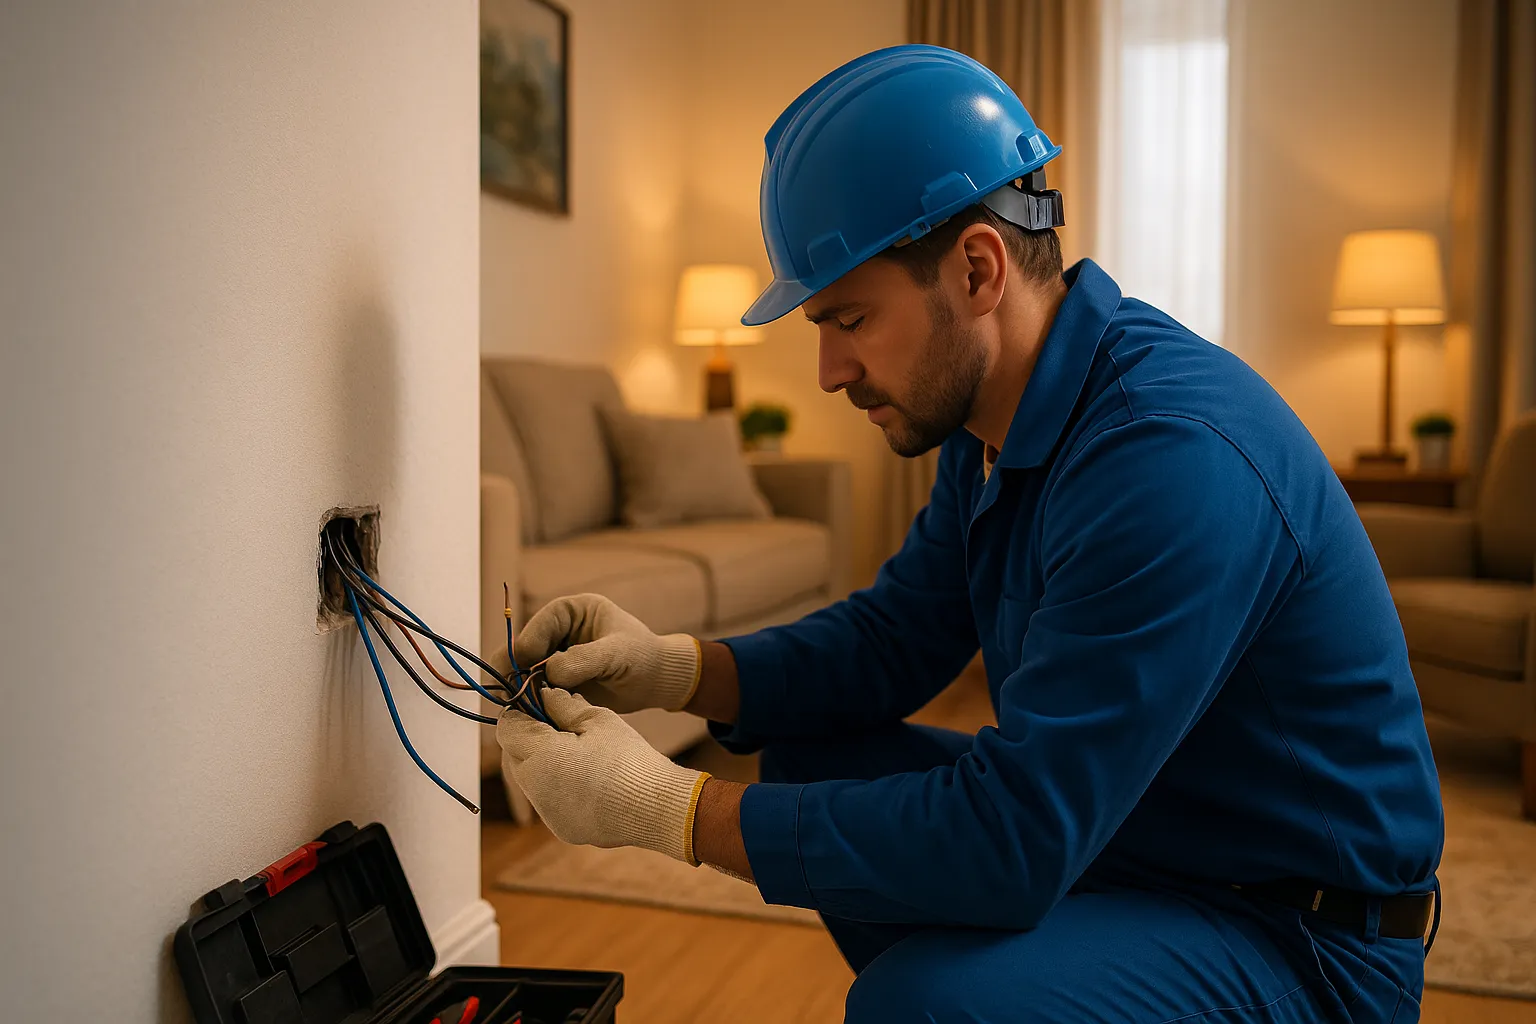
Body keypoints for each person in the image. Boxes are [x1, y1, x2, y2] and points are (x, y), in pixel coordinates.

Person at [493, 45, 1443, 1023]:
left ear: (978, 268)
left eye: (850, 319)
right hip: (1149, 846)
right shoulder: (1001, 419)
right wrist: (676, 668)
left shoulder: (1168, 457)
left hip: (1303, 937)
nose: (827, 370)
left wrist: (669, 810)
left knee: (922, 1005)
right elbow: (893, 639)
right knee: (814, 757)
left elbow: (1015, 836)